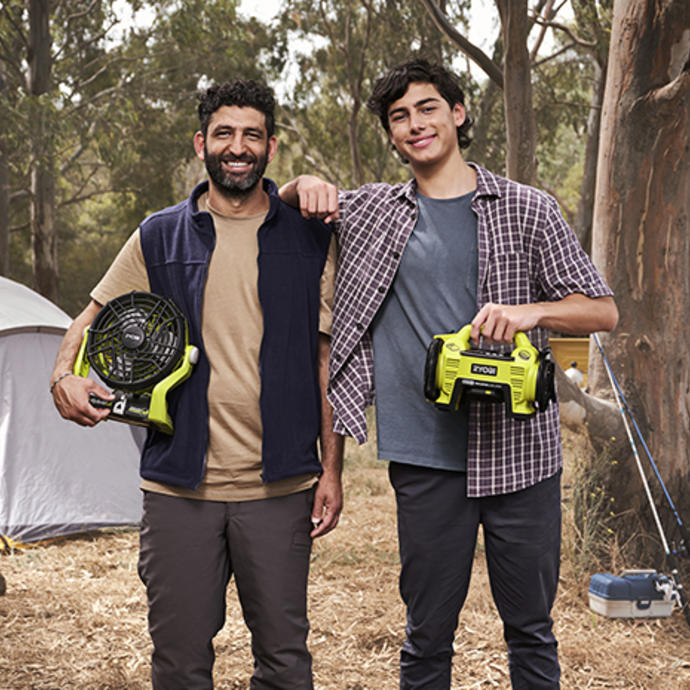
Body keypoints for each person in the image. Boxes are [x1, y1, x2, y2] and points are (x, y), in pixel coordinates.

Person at [280, 59, 618, 689]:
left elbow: (603, 310)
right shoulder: (373, 212)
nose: (415, 125)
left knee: (531, 632)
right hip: (425, 458)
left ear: (458, 114)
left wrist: (530, 311)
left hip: (522, 455)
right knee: (427, 637)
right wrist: (303, 182)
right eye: (399, 117)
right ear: (391, 134)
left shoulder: (528, 209)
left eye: (428, 108)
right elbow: (282, 207)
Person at [50, 79, 344, 690]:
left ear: (270, 147)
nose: (237, 147)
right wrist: (63, 375)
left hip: (281, 485)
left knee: (286, 664)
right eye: (224, 134)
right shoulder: (159, 234)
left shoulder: (310, 237)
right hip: (178, 488)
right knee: (180, 663)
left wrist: (333, 472)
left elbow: (326, 363)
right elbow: (91, 317)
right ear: (201, 143)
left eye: (252, 135)